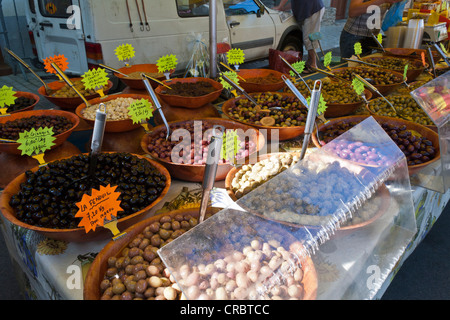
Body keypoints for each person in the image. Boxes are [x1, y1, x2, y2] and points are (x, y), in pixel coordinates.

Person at [274, 0, 325, 73]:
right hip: (311, 8)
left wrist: (280, 6)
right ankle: (310, 62)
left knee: (309, 38)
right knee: (308, 36)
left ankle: (313, 65)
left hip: (312, 9)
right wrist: (283, 8)